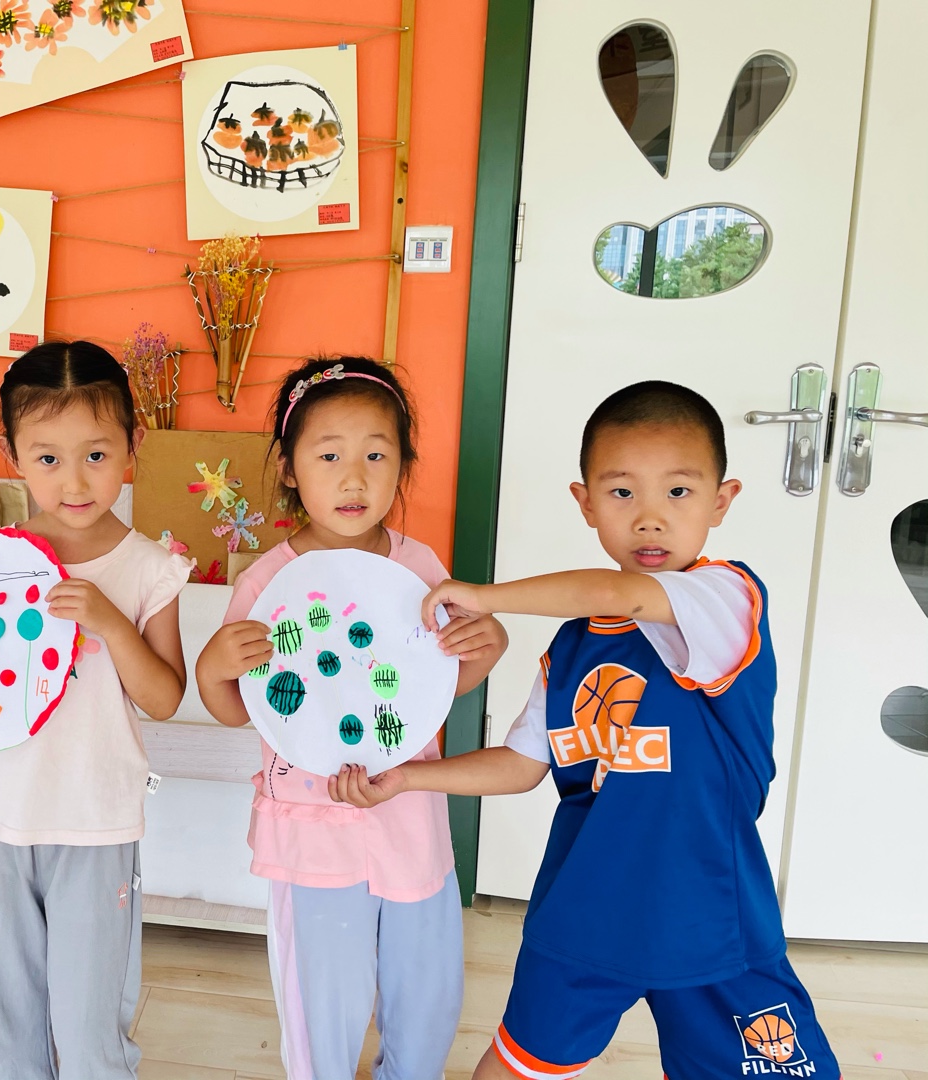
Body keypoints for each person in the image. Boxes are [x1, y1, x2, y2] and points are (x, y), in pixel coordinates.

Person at [331, 381, 842, 1080]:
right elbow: (520, 765)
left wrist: (484, 596)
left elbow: (616, 593)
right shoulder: (572, 648)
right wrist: (407, 778)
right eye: (622, 493)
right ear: (586, 503)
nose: (650, 519)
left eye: (679, 492)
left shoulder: (725, 598)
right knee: (512, 1067)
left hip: (708, 914)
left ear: (722, 501)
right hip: (583, 909)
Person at [196, 357, 510, 1080]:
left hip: (410, 817)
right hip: (313, 832)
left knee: (425, 987)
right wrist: (214, 668)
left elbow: (435, 689)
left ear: (403, 467)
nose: (354, 478)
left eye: (376, 455)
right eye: (329, 455)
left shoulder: (419, 566)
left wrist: (485, 649)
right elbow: (240, 710)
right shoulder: (267, 581)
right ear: (289, 468)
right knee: (323, 1000)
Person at [0, 340, 190, 1080]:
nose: (74, 481)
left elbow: (164, 699)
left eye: (96, 455)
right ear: (10, 454)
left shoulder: (151, 569)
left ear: (132, 448)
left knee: (88, 1026)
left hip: (95, 823)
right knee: (3, 1016)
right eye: (47, 458)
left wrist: (111, 623)